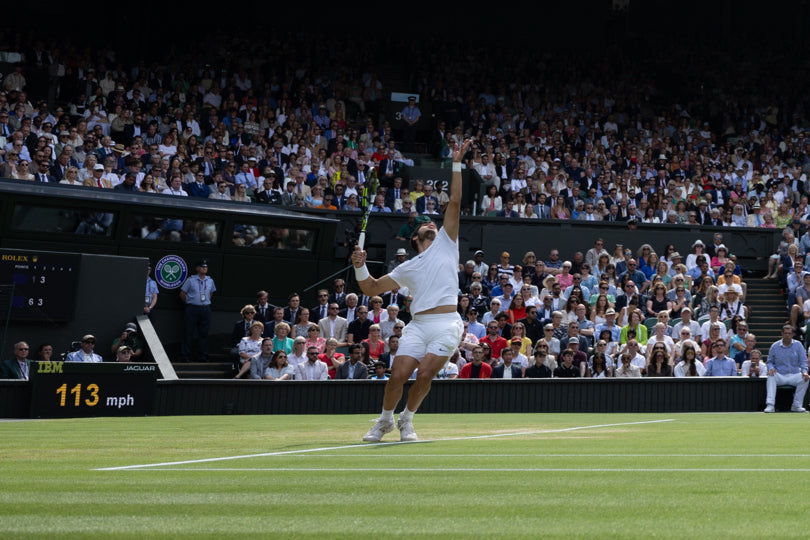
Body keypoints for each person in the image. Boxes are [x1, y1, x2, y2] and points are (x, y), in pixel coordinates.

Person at [352, 139, 470, 443]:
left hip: (446, 323)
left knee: (426, 373)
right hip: (418, 326)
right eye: (425, 226)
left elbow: (455, 200)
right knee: (398, 376)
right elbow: (370, 288)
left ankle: (407, 419)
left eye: (433, 222)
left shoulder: (447, 240)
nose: (432, 224)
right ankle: (385, 420)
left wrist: (456, 163)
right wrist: (359, 266)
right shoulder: (407, 268)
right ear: (416, 237)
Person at [764, 325, 810, 412]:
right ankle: (770, 405)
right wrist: (771, 368)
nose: (787, 335)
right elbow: (769, 361)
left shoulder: (798, 345)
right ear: (782, 334)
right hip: (780, 375)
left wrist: (804, 372)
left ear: (792, 334)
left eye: (789, 333)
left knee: (806, 378)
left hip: (794, 375)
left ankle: (796, 405)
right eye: (785, 333)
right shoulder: (775, 346)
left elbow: (803, 361)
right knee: (771, 376)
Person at [179, 259, 216, 362]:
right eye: (202, 266)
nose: (204, 268)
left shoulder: (210, 280)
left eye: (206, 267)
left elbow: (211, 293)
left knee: (203, 333)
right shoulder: (190, 280)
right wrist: (190, 303)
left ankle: (202, 356)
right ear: (197, 268)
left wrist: (204, 302)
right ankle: (185, 355)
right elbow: (182, 294)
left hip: (205, 309)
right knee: (188, 332)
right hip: (192, 309)